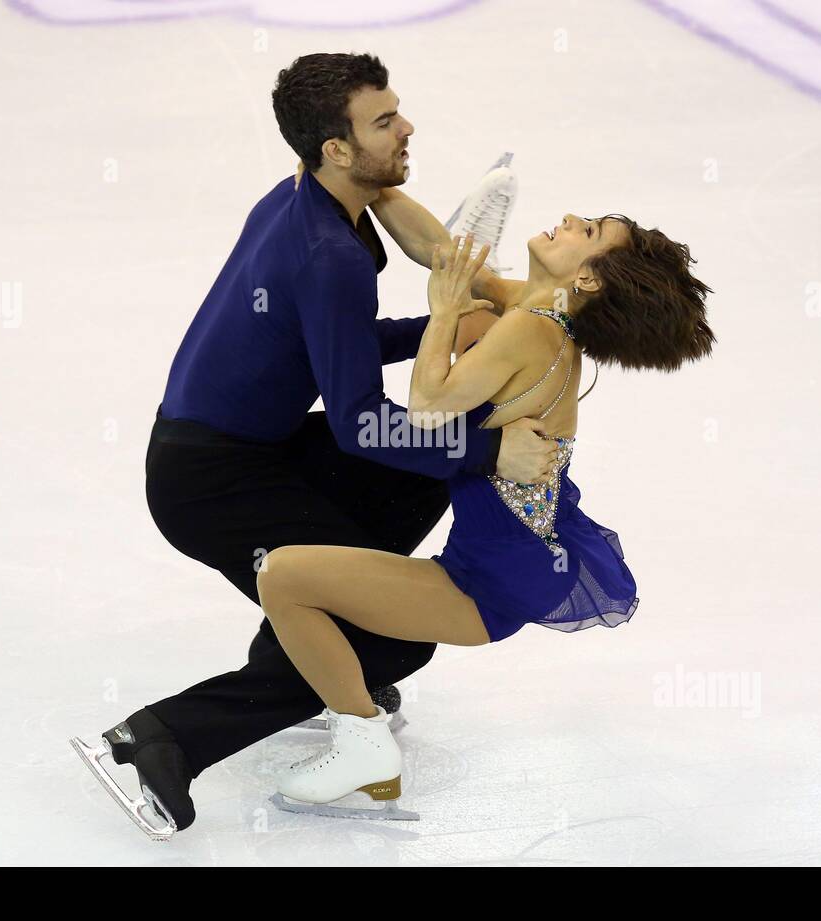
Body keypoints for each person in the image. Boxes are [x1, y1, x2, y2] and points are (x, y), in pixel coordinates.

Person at [69, 52, 556, 839]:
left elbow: (332, 337)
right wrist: (488, 452)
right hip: (210, 481)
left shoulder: (304, 194)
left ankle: (318, 645)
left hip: (253, 445)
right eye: (384, 121)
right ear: (334, 148)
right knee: (391, 635)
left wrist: (448, 320)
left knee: (415, 475)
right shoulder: (329, 256)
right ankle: (159, 741)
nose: (406, 128)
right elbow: (363, 420)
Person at [257, 215, 715, 818]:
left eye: (592, 230)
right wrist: (378, 187)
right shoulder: (539, 314)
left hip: (488, 582)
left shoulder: (530, 329)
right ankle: (352, 717)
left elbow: (425, 406)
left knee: (283, 578)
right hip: (506, 561)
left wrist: (442, 312)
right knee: (292, 574)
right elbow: (452, 257)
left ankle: (362, 744)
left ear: (588, 278)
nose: (572, 218)